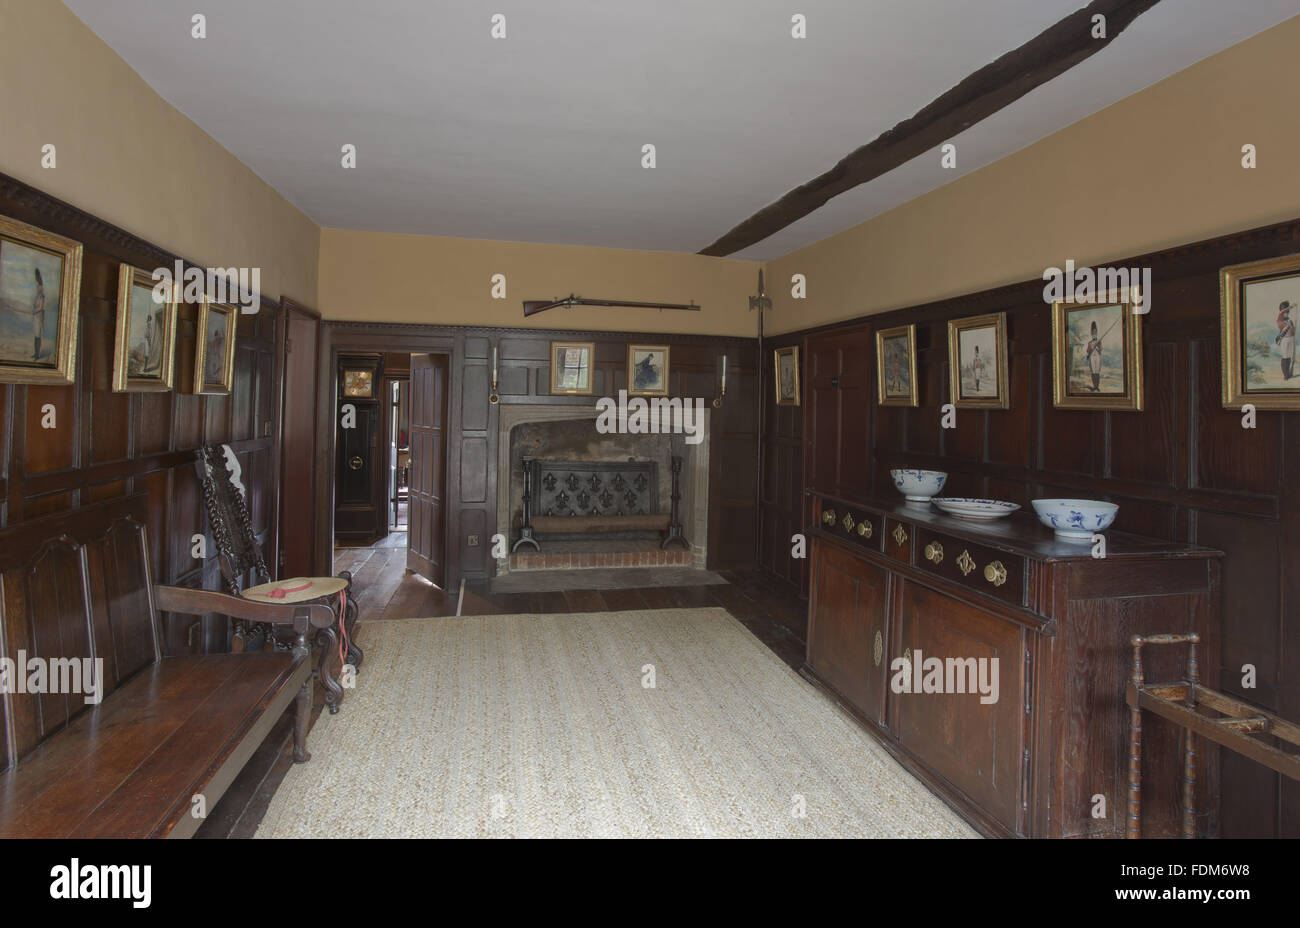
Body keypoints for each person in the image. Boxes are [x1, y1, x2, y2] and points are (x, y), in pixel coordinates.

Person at [1275, 300, 1296, 381]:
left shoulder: (1290, 321)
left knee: (1289, 357)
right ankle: (1285, 375)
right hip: (1284, 340)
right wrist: (1292, 306)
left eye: (1288, 312)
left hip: (1291, 339)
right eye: (1286, 311)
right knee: (1285, 357)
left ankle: (1288, 373)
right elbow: (1282, 311)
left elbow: (1293, 331)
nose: (1287, 313)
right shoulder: (1280, 320)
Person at [31, 268, 45, 361]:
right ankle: (35, 353)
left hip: (39, 317)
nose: (36, 286)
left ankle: (37, 355)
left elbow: (40, 308)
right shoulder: (38, 294)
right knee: (35, 335)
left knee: (38, 335)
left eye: (38, 285)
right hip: (36, 317)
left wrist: (34, 311)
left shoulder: (41, 295)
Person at [1085, 320, 1103, 392]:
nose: (1094, 335)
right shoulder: (1089, 342)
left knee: (1097, 371)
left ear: (1096, 333)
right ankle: (1094, 386)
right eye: (1092, 333)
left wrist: (1097, 346)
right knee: (1093, 372)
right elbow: (1087, 351)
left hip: (1098, 357)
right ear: (1091, 334)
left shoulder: (1099, 341)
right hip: (1092, 357)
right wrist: (1091, 348)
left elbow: (1100, 349)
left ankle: (1097, 386)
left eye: (1095, 333)